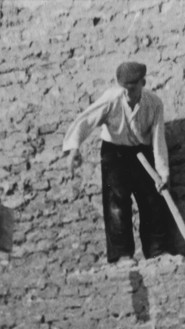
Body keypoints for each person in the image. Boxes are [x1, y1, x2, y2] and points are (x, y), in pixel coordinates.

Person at [61, 60, 178, 263]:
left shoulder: (154, 103)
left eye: (133, 89)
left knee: (152, 200)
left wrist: (163, 174)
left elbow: (159, 141)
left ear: (143, 82)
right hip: (114, 152)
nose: (128, 94)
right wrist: (73, 148)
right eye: (125, 89)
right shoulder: (111, 99)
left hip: (142, 151)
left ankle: (157, 250)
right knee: (116, 202)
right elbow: (85, 121)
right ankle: (121, 254)